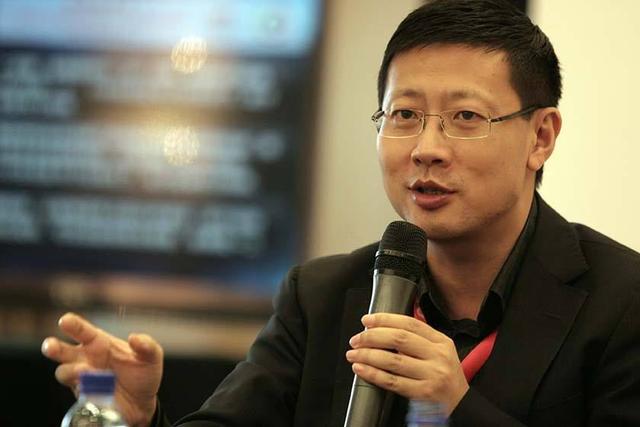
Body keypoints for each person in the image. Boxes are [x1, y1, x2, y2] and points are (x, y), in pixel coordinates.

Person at [42, 0, 640, 426]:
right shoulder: (322, 296)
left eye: (465, 117)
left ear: (541, 136)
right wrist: (137, 416)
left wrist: (458, 410)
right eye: (404, 115)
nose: (426, 148)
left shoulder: (622, 302)